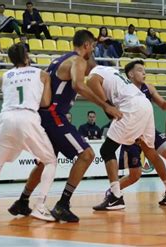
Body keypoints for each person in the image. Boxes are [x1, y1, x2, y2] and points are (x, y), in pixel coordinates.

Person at [8, 30, 122, 222]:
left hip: (45, 115)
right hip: (54, 115)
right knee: (87, 155)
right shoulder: (78, 60)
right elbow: (78, 85)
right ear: (86, 45)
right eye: (93, 47)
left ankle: (22, 201)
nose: (92, 50)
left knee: (46, 161)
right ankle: (63, 204)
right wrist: (106, 106)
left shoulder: (59, 60)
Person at [0, 44, 57, 225]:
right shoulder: (41, 74)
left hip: (5, 118)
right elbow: (45, 102)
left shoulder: (3, 77)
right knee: (50, 161)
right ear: (27, 56)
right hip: (27, 117)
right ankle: (40, 205)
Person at [86, 64, 166, 211]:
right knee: (150, 152)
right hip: (144, 106)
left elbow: (91, 82)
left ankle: (115, 197)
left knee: (107, 150)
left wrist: (107, 106)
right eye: (140, 70)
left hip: (131, 108)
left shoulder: (95, 72)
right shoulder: (114, 73)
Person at [115, 60, 166, 204]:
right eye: (140, 70)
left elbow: (164, 106)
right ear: (130, 74)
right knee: (135, 175)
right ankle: (112, 192)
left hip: (148, 130)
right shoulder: (123, 90)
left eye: (144, 70)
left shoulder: (148, 88)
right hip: (131, 133)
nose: (144, 73)